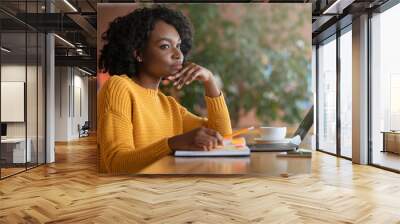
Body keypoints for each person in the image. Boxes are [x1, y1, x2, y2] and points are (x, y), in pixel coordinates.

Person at [97, 5, 232, 173]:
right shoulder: (119, 87)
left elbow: (223, 136)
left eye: (179, 45)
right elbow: (116, 164)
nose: (178, 54)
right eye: (165, 46)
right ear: (138, 53)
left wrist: (210, 81)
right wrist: (173, 143)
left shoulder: (169, 105)